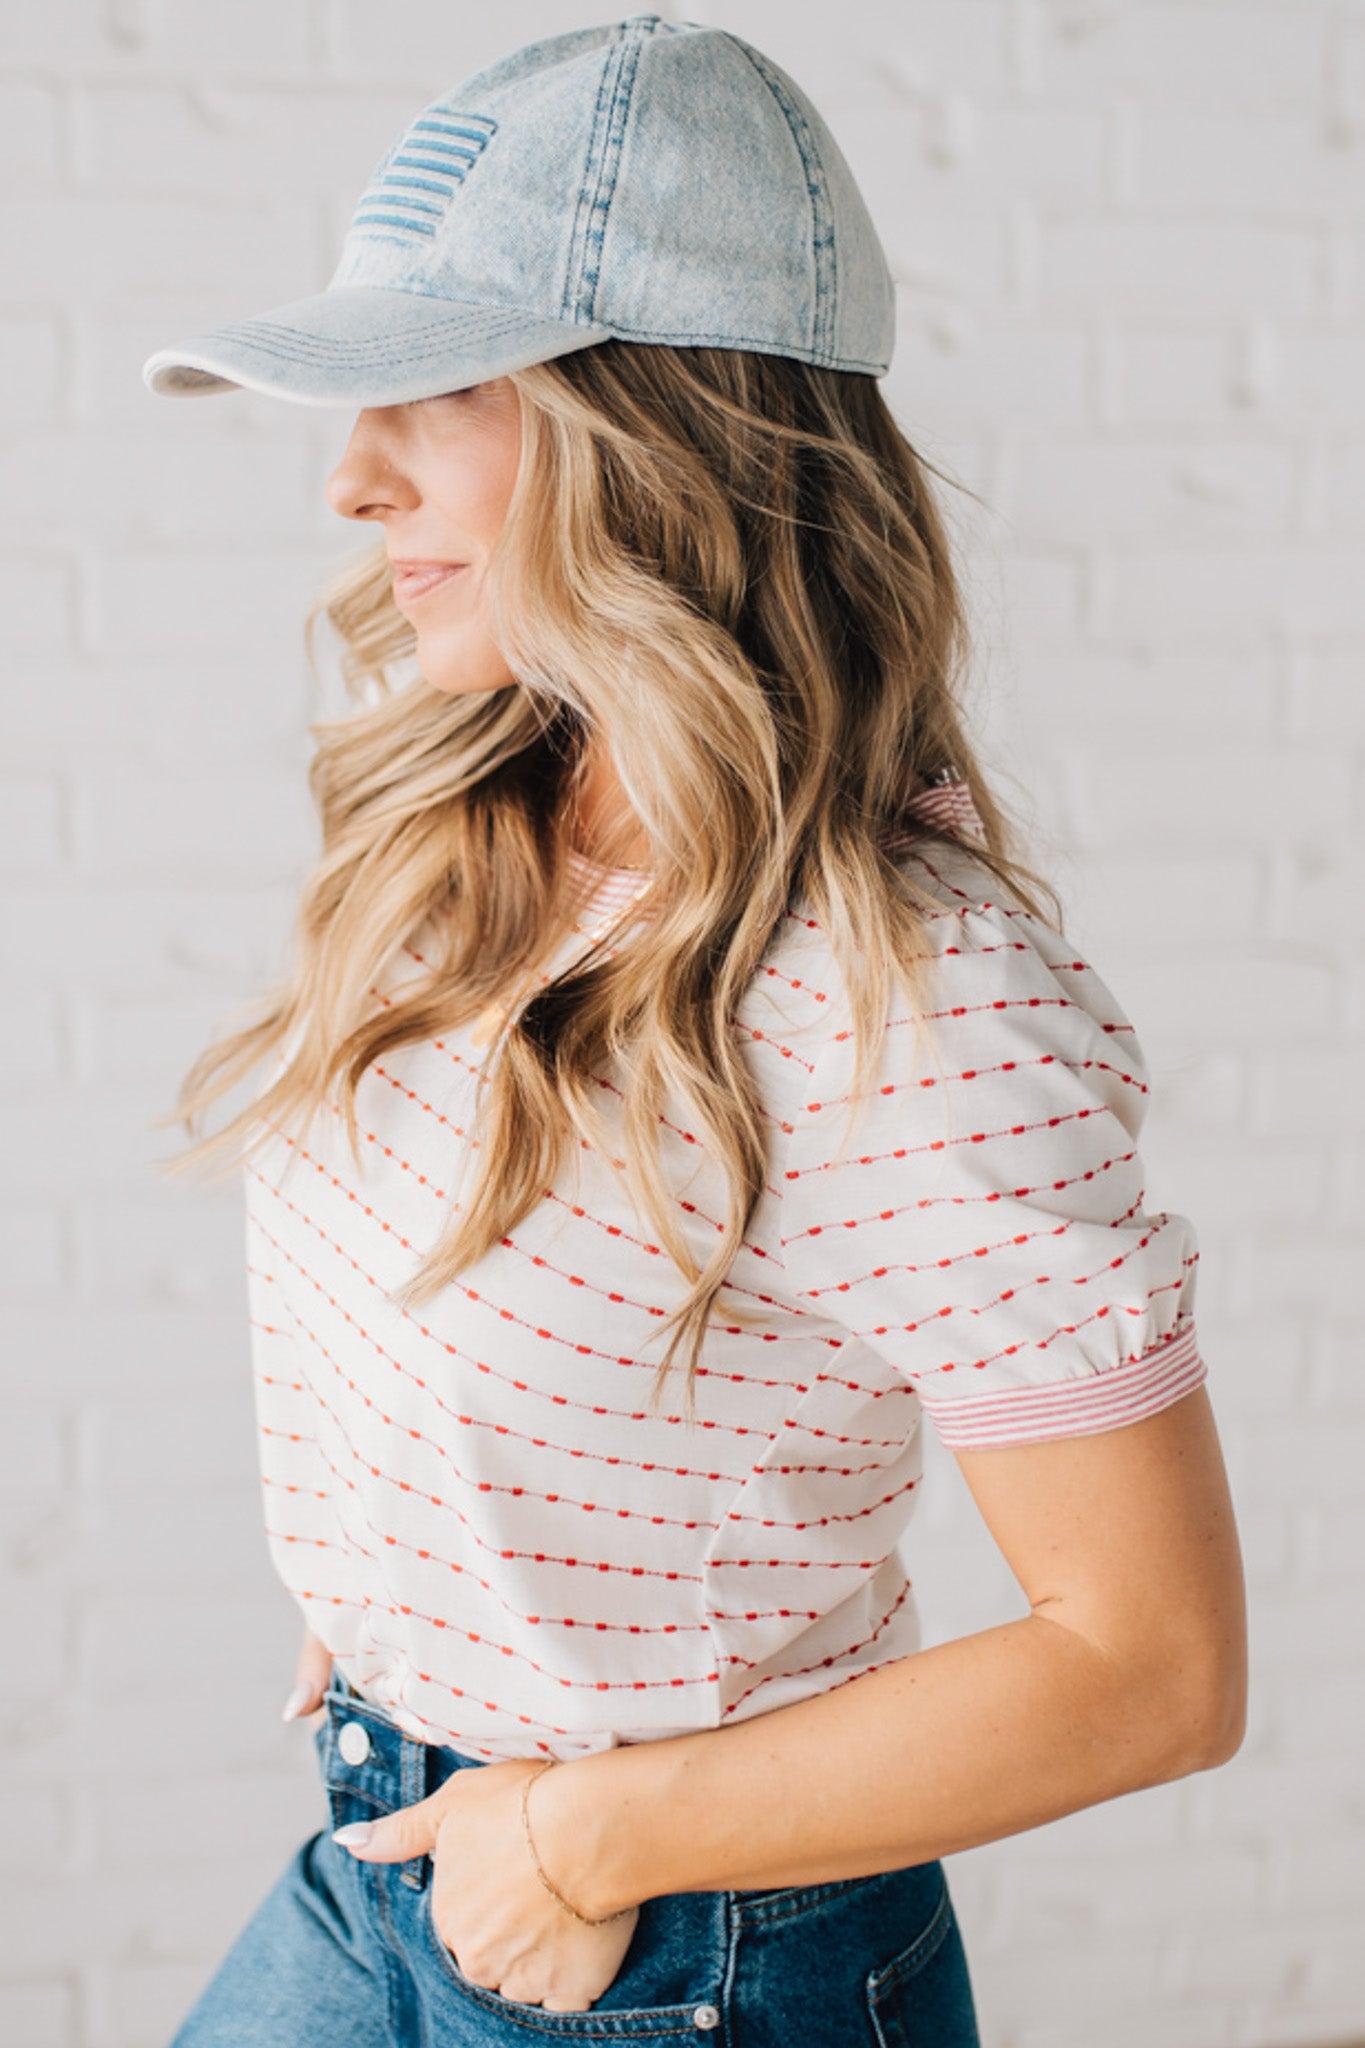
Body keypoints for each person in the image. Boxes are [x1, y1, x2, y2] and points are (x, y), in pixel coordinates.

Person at [142, 16, 1247, 2045]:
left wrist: (578, 1839)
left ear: (663, 435)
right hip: (400, 1849)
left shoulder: (903, 996)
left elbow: (1150, 1664)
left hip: (678, 1949)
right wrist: (415, 1576)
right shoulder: (482, 821)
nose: (349, 473)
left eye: (436, 389)